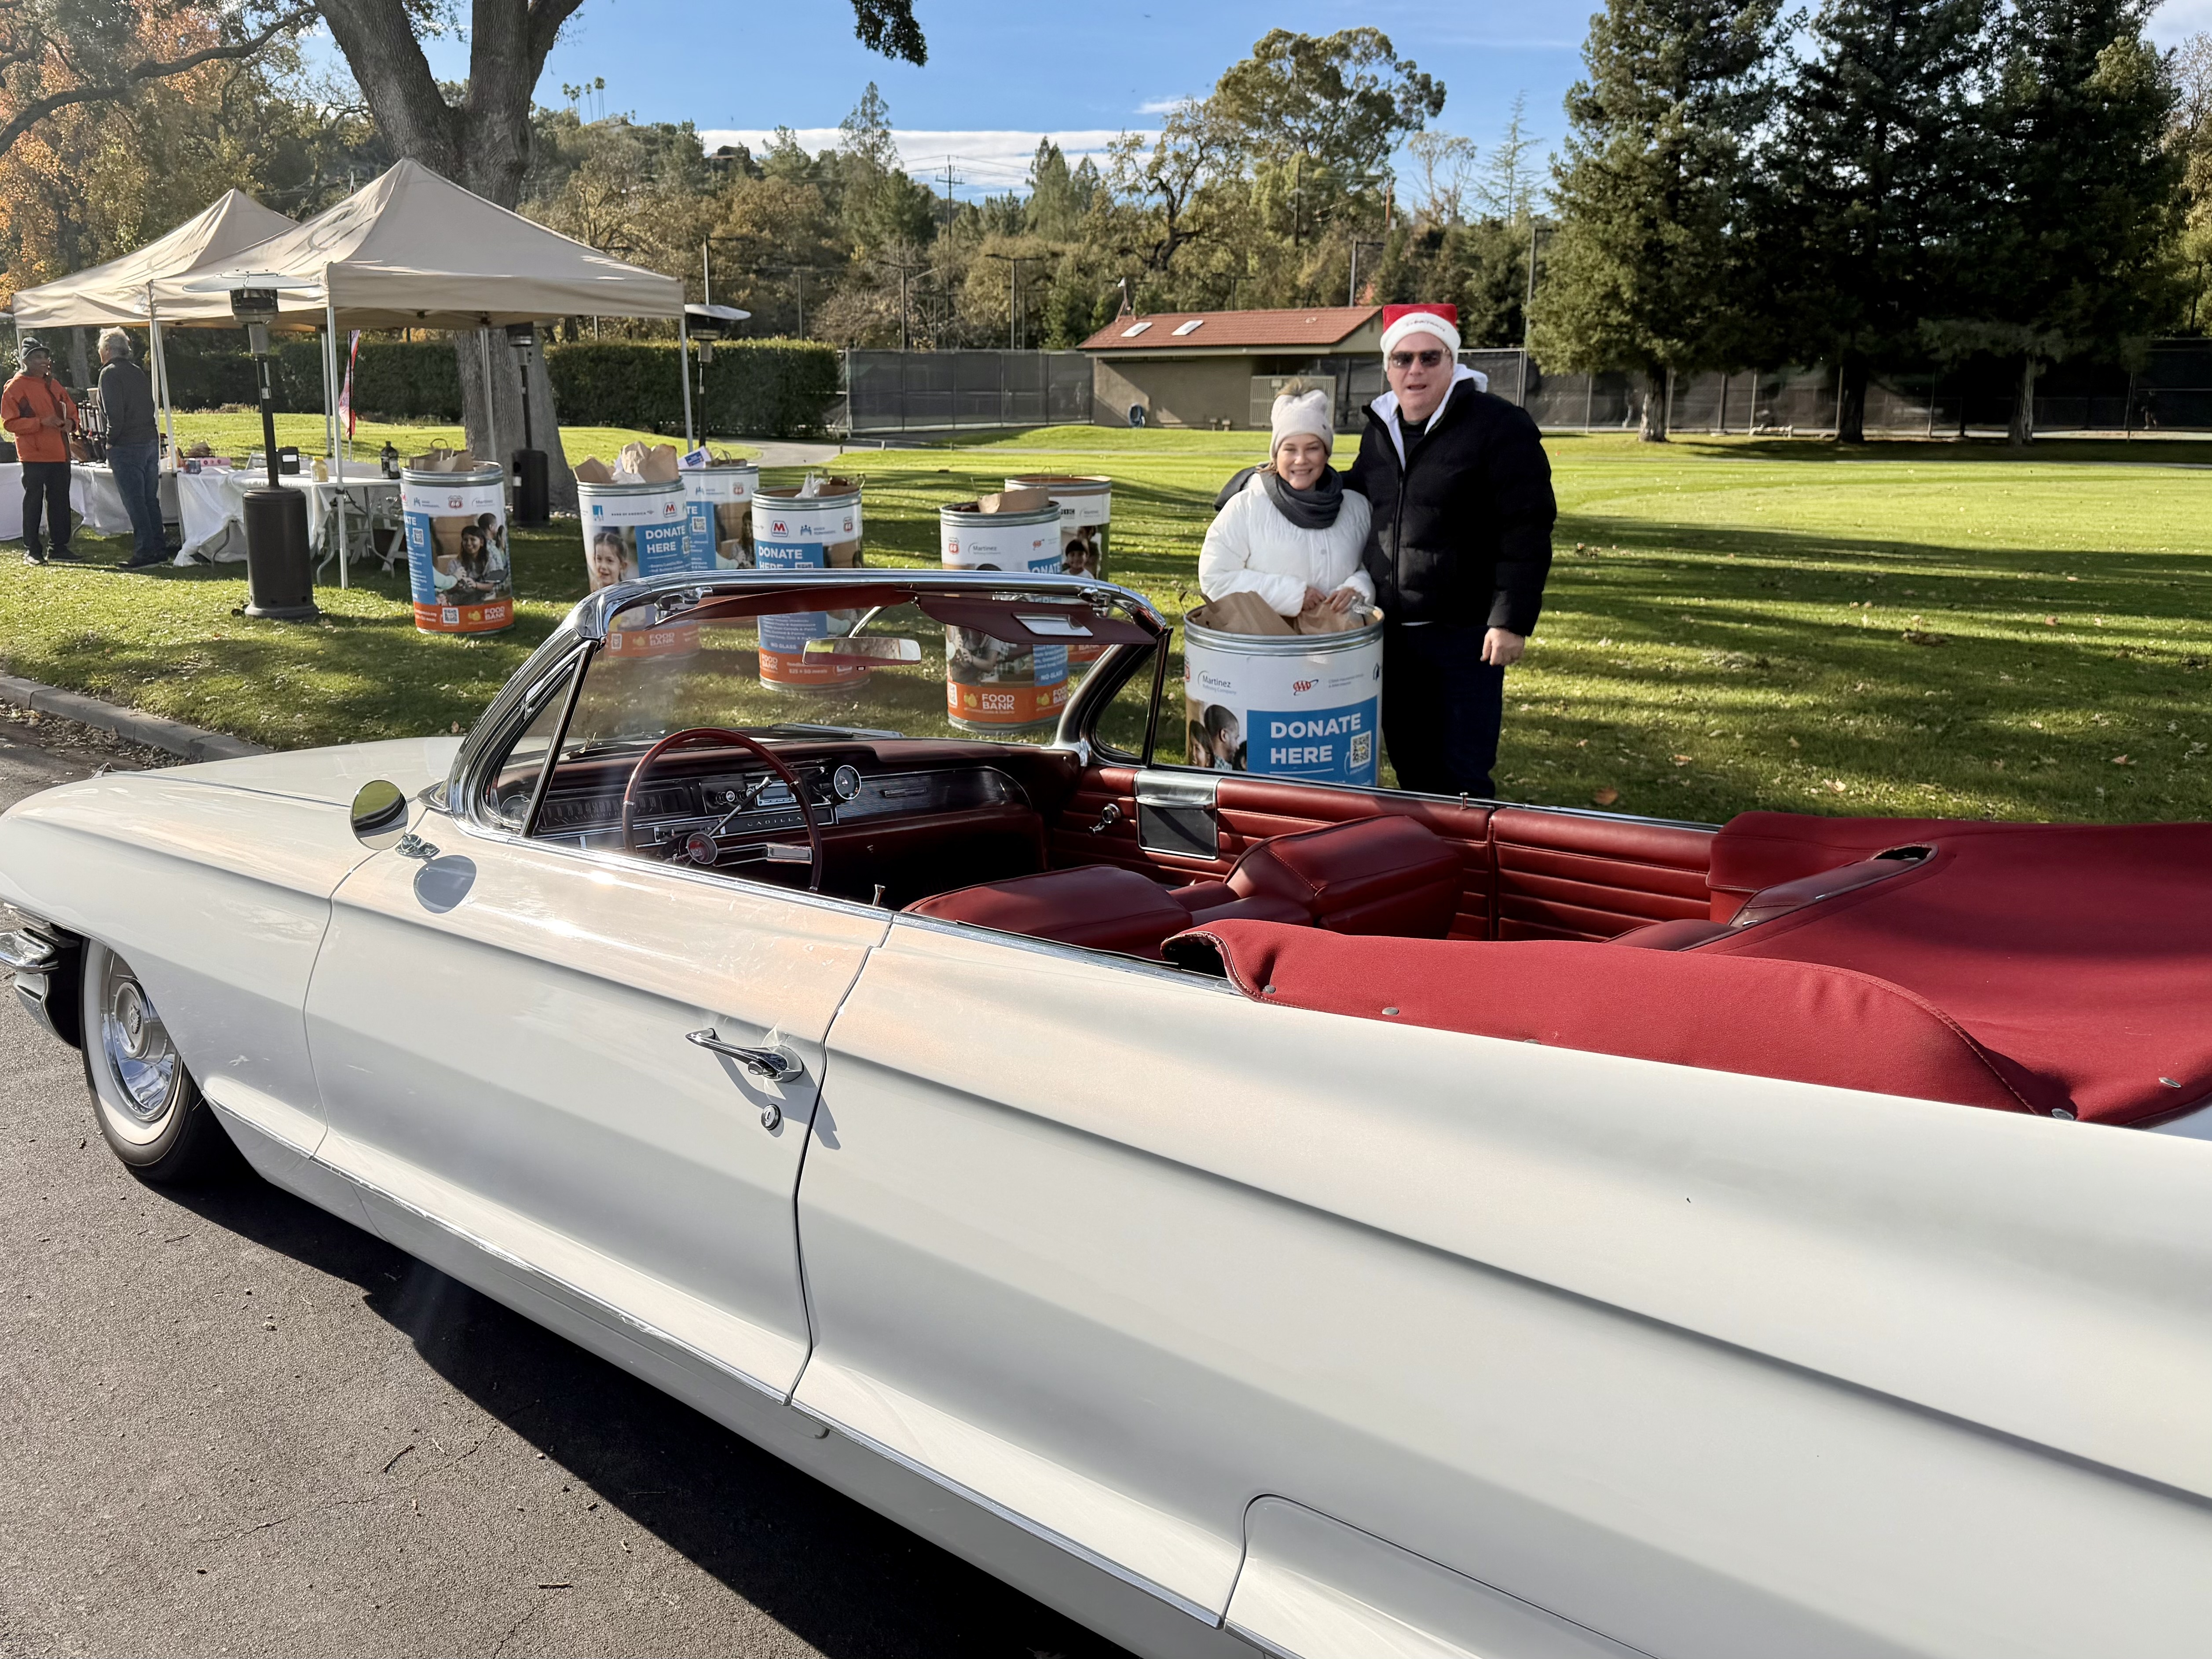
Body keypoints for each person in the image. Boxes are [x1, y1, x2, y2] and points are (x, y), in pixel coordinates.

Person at [1348, 304, 1557, 798]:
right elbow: (1358, 495)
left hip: (1464, 637)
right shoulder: (1380, 429)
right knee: (1412, 771)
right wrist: (1272, 486)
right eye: (1402, 359)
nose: (1414, 370)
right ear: (1388, 366)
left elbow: (1526, 527)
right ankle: (1429, 868)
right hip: (1393, 638)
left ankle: (1471, 874)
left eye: (1428, 357)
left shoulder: (1500, 425)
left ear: (1452, 361)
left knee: (1463, 777)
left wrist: (1510, 620)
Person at [1198, 386, 1374, 621]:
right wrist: (1291, 595)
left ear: (1326, 453)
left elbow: (1372, 570)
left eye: (1313, 448)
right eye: (1290, 449)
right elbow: (1216, 578)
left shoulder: (1357, 508)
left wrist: (1358, 589)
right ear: (1276, 455)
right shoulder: (1246, 508)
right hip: (1266, 648)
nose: (1301, 460)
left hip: (1337, 648)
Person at [4, 338, 80, 565]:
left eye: (46, 357)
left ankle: (59, 547)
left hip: (60, 453)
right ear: (25, 360)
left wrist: (71, 424)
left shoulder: (54, 384)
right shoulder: (15, 388)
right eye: (38, 357)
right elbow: (10, 423)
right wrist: (40, 423)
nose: (45, 361)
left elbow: (72, 410)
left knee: (59, 501)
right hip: (34, 456)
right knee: (34, 503)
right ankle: (32, 551)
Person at [97, 329, 167, 569]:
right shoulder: (137, 371)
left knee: (135, 501)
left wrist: (109, 442)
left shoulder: (109, 374)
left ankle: (145, 551)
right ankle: (159, 547)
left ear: (107, 351)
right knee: (150, 500)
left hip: (127, 444)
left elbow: (114, 415)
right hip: (149, 439)